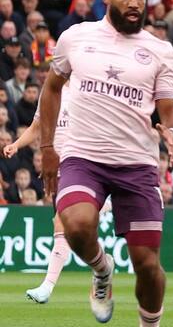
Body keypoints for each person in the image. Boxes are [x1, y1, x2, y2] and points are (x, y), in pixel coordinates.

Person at [39, 0, 173, 327]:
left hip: (136, 164)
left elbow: (168, 107)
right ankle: (102, 270)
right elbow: (52, 89)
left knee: (148, 266)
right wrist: (48, 148)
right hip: (83, 157)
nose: (135, 4)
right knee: (78, 224)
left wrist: (172, 130)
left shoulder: (160, 51)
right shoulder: (75, 37)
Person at [5, 83, 113, 304]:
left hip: (83, 166)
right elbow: (37, 126)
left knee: (60, 222)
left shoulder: (90, 86)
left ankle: (47, 286)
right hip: (58, 171)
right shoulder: (49, 92)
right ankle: (103, 264)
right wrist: (16, 144)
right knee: (73, 231)